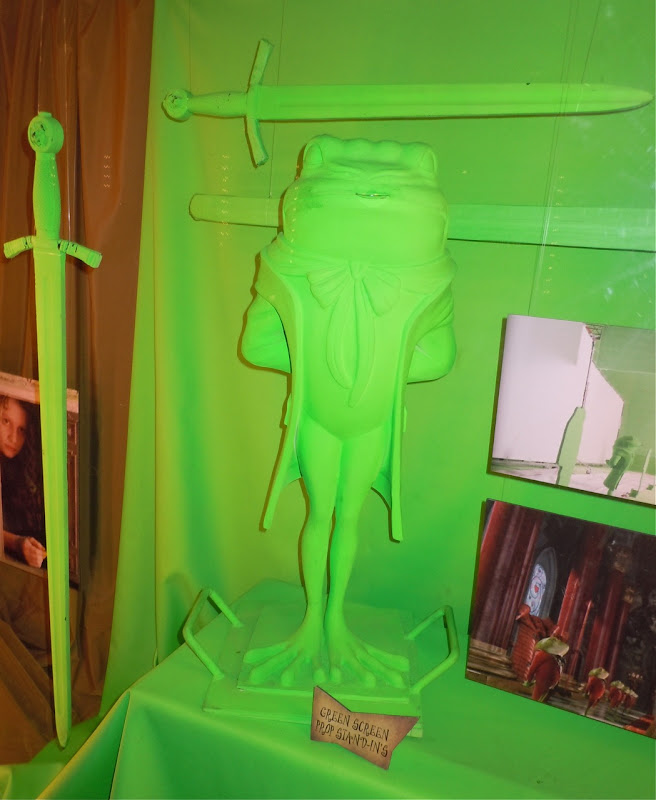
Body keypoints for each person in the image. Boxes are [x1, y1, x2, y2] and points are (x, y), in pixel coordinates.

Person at [0, 395, 47, 568]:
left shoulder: (26, 464)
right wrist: (18, 544)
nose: (13, 438)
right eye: (6, 421)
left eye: (21, 429)